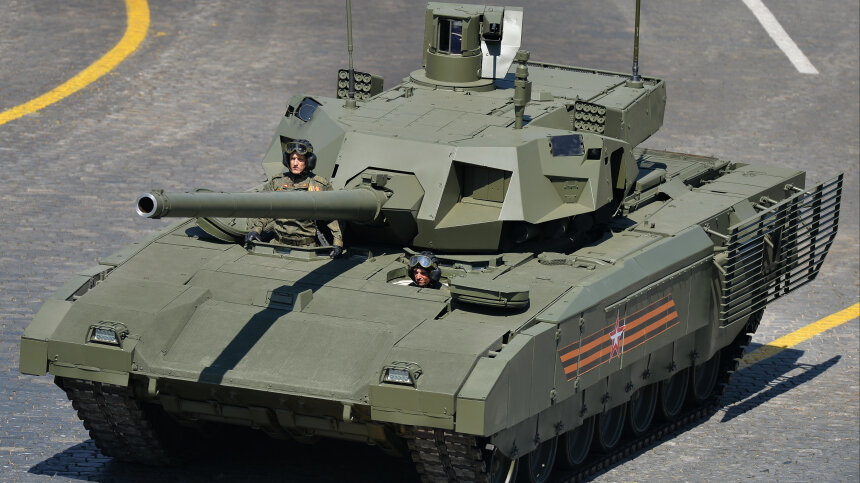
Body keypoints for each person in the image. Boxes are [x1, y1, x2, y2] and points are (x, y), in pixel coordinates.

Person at [245, 139, 344, 258]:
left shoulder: (319, 185)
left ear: (308, 161)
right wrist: (256, 230)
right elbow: (265, 209)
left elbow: (332, 215)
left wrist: (338, 242)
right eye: (292, 159)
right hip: (277, 244)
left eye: (300, 159)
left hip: (306, 249)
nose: (295, 163)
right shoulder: (277, 182)